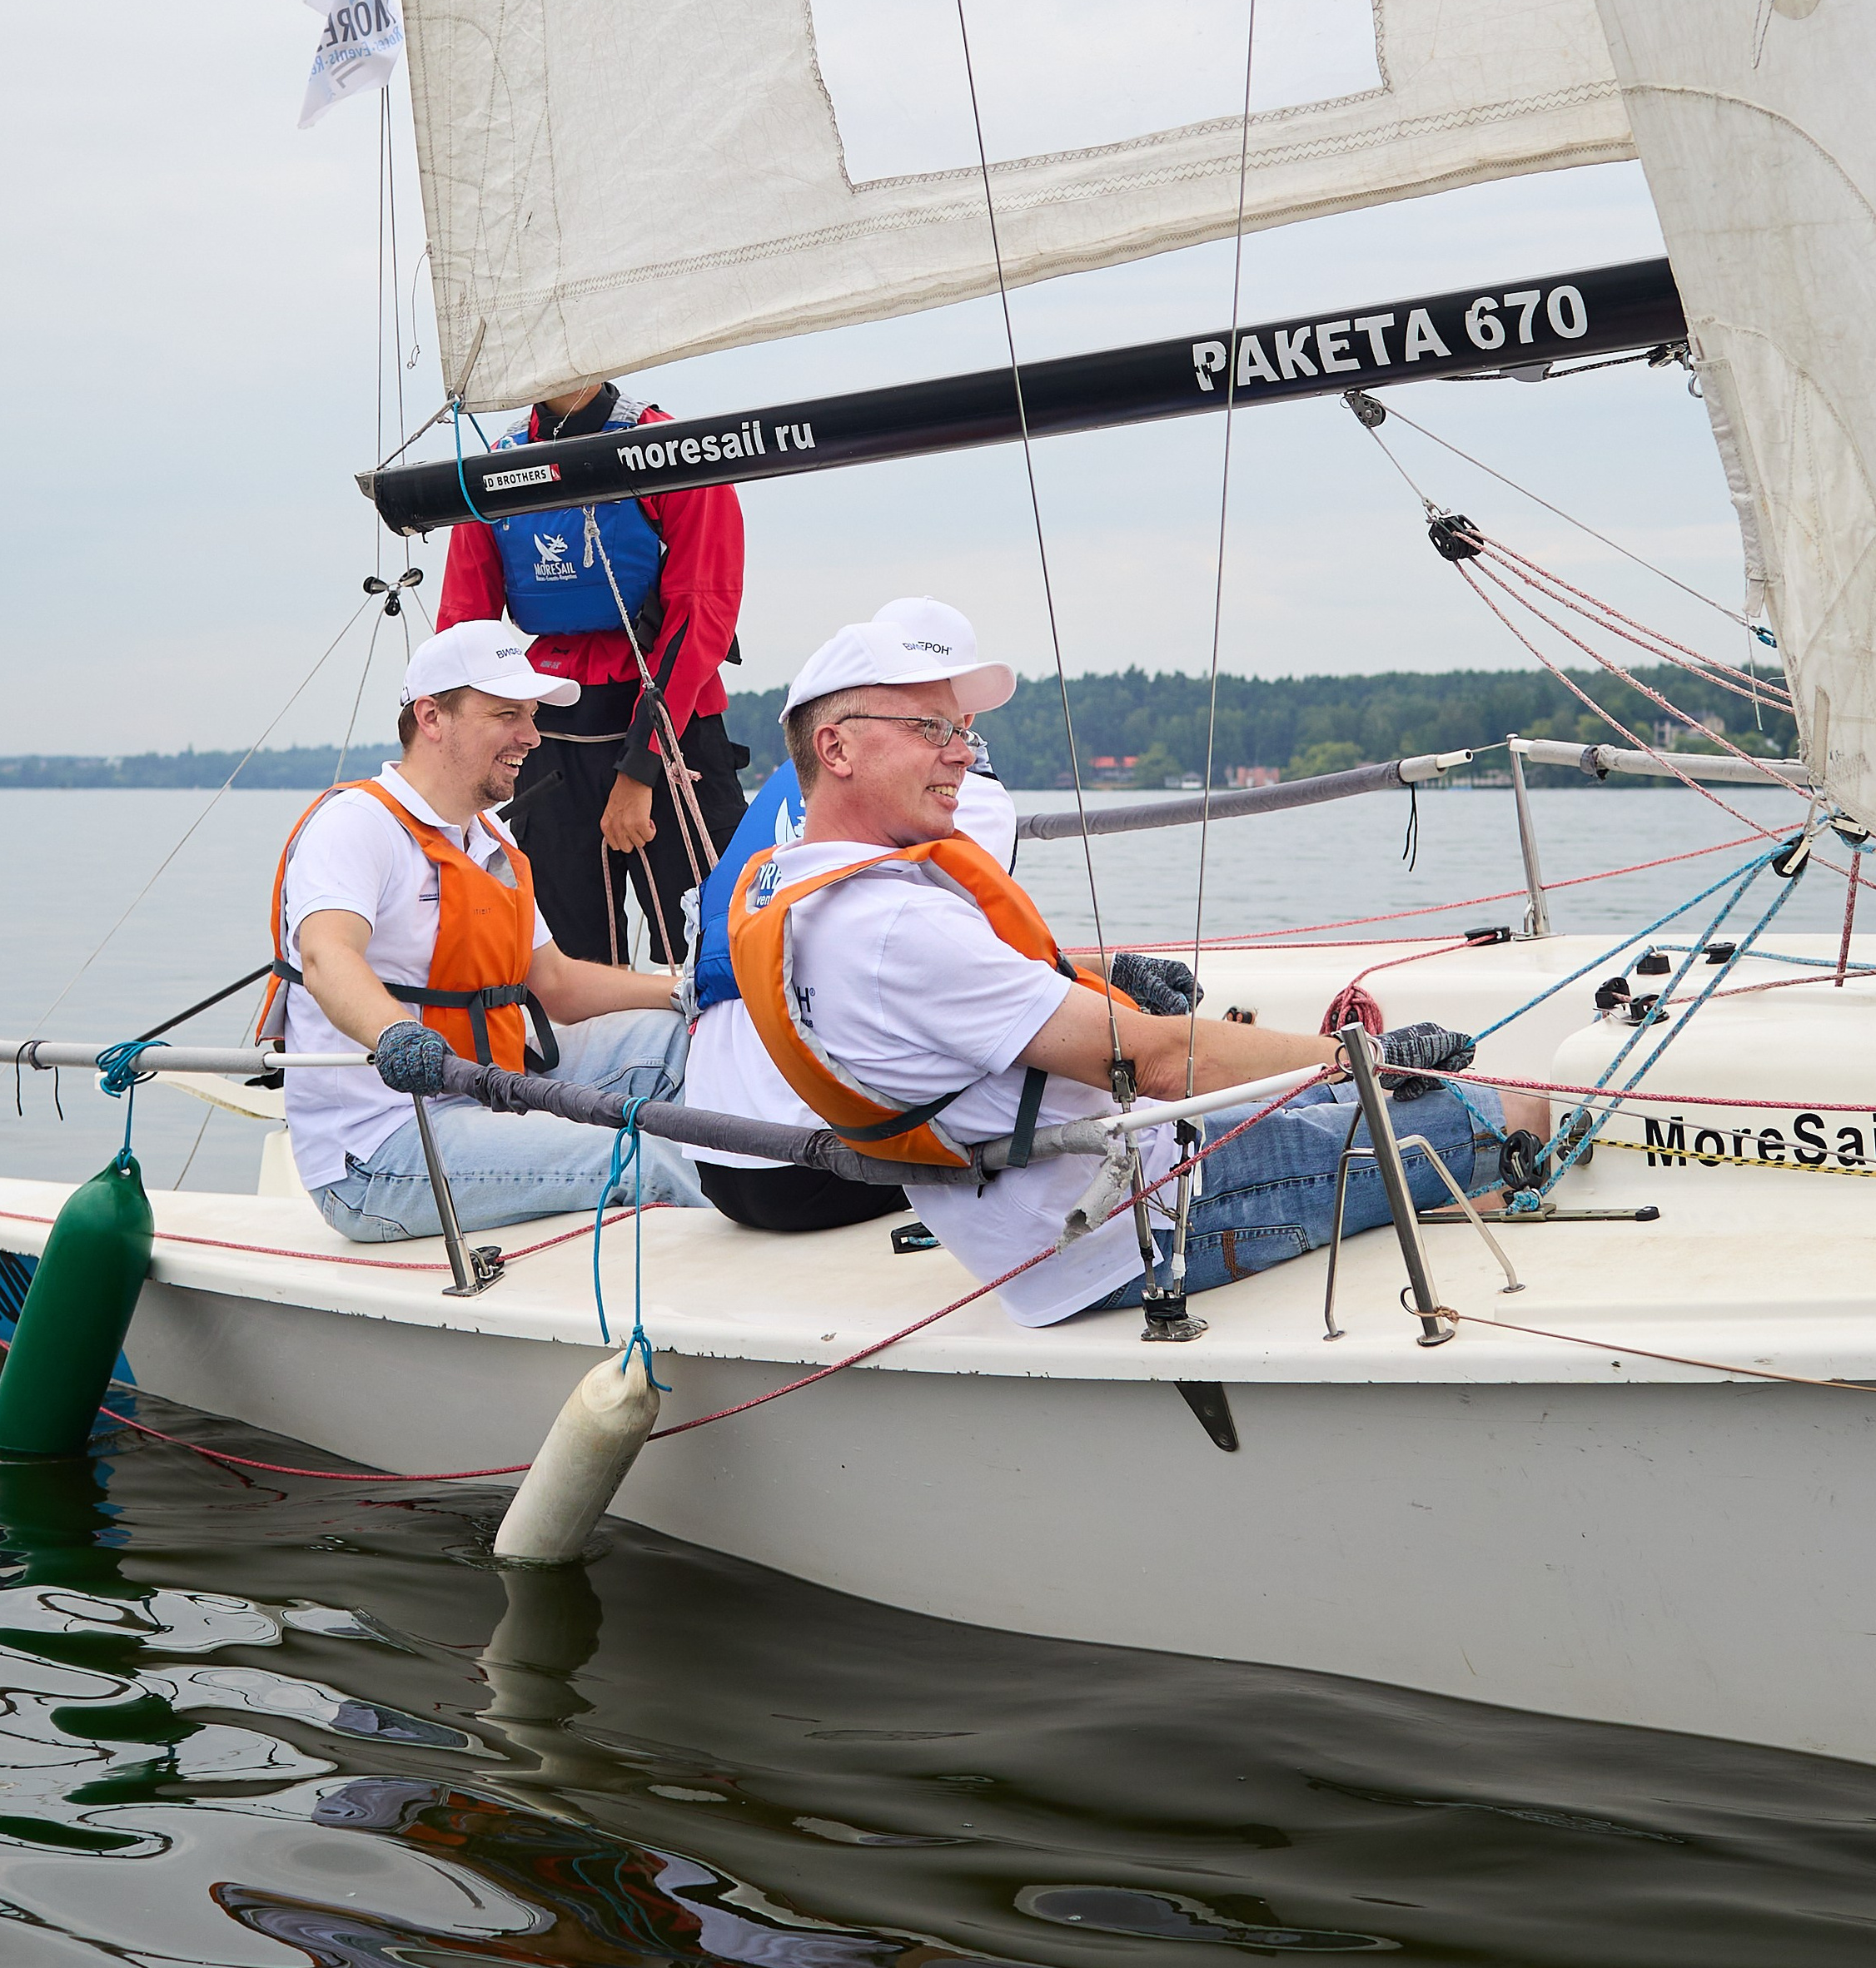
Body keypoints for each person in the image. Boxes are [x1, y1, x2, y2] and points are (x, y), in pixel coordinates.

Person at [682, 615, 1550, 1323]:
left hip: (1060, 1197)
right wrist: (1361, 1054)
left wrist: (1108, 976)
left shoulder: (793, 893)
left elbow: (963, 1004)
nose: (959, 753)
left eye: (963, 730)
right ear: (835, 750)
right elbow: (1160, 1061)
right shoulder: (897, 922)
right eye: (929, 728)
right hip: (1138, 1220)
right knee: (1516, 1106)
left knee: (1341, 1096)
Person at [263, 622, 709, 1240]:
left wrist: (689, 989)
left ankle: (776, 1200)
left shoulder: (487, 839)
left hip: (486, 1084)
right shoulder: (357, 825)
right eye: (506, 715)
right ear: (431, 717)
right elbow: (326, 954)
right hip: (380, 1151)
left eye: (530, 715)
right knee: (652, 1159)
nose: (531, 736)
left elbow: (555, 982)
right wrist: (397, 1036)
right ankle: (774, 1306)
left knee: (684, 1040)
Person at [684, 599, 1018, 1235]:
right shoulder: (968, 798)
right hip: (821, 1168)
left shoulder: (800, 781)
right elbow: (963, 969)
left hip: (715, 1153)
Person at [435, 375, 749, 970]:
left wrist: (640, 770)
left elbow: (701, 614)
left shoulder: (672, 450)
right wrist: (446, 771)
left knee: (708, 952)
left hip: (674, 725)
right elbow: (461, 635)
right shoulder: (495, 473)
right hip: (548, 731)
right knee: (568, 962)